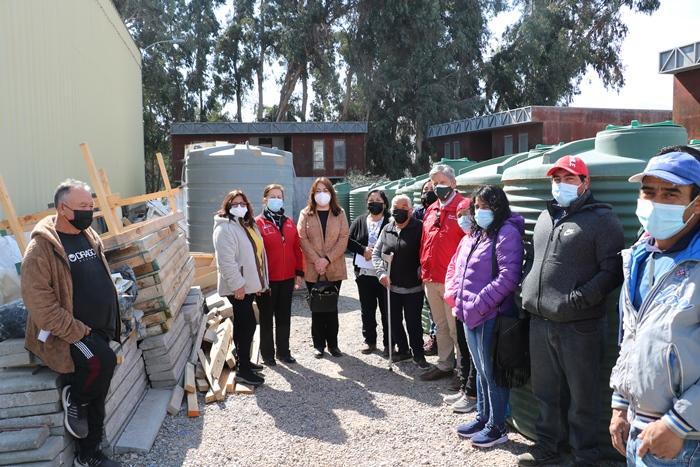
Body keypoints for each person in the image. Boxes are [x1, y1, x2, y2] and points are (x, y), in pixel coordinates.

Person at [517, 155, 625, 466]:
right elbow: (533, 260)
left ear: (585, 183)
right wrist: (527, 288)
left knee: (582, 399)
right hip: (540, 322)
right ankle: (549, 448)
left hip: (580, 327)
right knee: (546, 394)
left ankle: (584, 457)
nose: (561, 184)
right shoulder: (546, 216)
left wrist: (578, 299)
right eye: (556, 179)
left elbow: (612, 271)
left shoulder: (602, 219)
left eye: (569, 179)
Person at [21, 179, 122, 467]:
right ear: (62, 209)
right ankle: (75, 401)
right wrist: (76, 330)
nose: (89, 211)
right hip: (71, 334)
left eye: (91, 205)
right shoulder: (41, 249)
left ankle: (90, 455)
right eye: (82, 206)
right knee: (102, 364)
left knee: (100, 391)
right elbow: (39, 302)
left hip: (96, 329)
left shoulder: (88, 234)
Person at [609, 148, 700, 466]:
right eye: (649, 192)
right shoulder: (638, 258)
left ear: (697, 204)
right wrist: (620, 404)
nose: (655, 202)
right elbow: (632, 338)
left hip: (685, 442)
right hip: (637, 429)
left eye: (671, 193)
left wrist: (679, 423)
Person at [445, 185, 525, 448]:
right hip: (470, 314)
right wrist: (459, 299)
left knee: (493, 374)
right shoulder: (478, 235)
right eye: (477, 207)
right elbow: (461, 270)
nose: (479, 212)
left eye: (485, 207)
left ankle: (497, 426)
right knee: (480, 371)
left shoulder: (507, 233)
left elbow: (508, 277)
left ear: (498, 207)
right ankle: (483, 416)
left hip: (491, 315)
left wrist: (479, 304)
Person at [213, 190, 269, 386]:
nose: (239, 206)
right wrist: (238, 286)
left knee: (243, 324)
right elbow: (226, 262)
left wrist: (260, 283)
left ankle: (243, 362)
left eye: (242, 203)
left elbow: (258, 256)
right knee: (248, 325)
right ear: (227, 206)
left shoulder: (247, 224)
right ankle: (243, 370)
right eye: (234, 203)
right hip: (238, 287)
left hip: (248, 285)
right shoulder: (225, 228)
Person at [419, 164, 467, 387]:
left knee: (455, 327)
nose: (438, 187)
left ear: (453, 183)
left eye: (442, 182)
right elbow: (424, 242)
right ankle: (444, 364)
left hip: (453, 280)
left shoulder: (464, 208)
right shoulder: (431, 210)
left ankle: (462, 369)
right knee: (440, 326)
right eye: (434, 183)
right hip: (431, 278)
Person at [372, 195, 429, 369]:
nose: (400, 210)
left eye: (404, 207)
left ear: (411, 211)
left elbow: (427, 252)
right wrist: (381, 273)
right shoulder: (387, 229)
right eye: (396, 207)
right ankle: (403, 350)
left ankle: (418, 354)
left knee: (413, 323)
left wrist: (421, 269)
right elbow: (376, 253)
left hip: (413, 287)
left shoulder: (419, 228)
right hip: (391, 286)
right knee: (394, 321)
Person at [297, 178, 349, 358]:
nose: (322, 194)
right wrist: (317, 261)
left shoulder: (339, 213)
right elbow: (302, 238)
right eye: (318, 190)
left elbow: (344, 238)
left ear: (331, 193)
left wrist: (327, 259)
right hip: (313, 268)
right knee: (317, 308)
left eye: (325, 190)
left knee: (331, 307)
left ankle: (333, 345)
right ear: (313, 194)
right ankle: (318, 344)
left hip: (334, 268)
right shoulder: (306, 213)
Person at [255, 184, 304, 366]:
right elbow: (254, 254)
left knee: (284, 317)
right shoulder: (257, 223)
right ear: (265, 199)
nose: (277, 199)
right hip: (267, 280)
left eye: (280, 196)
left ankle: (284, 352)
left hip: (287, 279)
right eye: (273, 196)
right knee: (266, 318)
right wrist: (257, 281)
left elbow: (296, 248)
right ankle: (267, 353)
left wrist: (299, 271)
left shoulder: (289, 221)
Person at [443, 199, 478, 413]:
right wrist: (451, 293)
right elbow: (452, 268)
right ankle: (465, 388)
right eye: (460, 214)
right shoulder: (464, 240)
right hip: (457, 304)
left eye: (468, 212)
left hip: (471, 306)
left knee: (473, 353)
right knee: (463, 350)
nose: (464, 218)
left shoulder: (480, 239)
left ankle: (473, 394)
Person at [348, 189, 391, 355]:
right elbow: (349, 240)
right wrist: (362, 249)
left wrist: (379, 252)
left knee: (387, 309)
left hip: (384, 274)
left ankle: (389, 343)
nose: (374, 202)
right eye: (371, 200)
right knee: (367, 309)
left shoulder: (390, 221)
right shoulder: (360, 221)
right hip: (365, 273)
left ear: (385, 204)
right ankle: (369, 341)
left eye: (378, 199)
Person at [412, 179, 439, 357]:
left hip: (436, 266)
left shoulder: (440, 212)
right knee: (425, 304)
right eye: (425, 189)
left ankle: (436, 338)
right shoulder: (417, 213)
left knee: (434, 306)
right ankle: (428, 337)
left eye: (432, 189)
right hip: (419, 264)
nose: (428, 192)